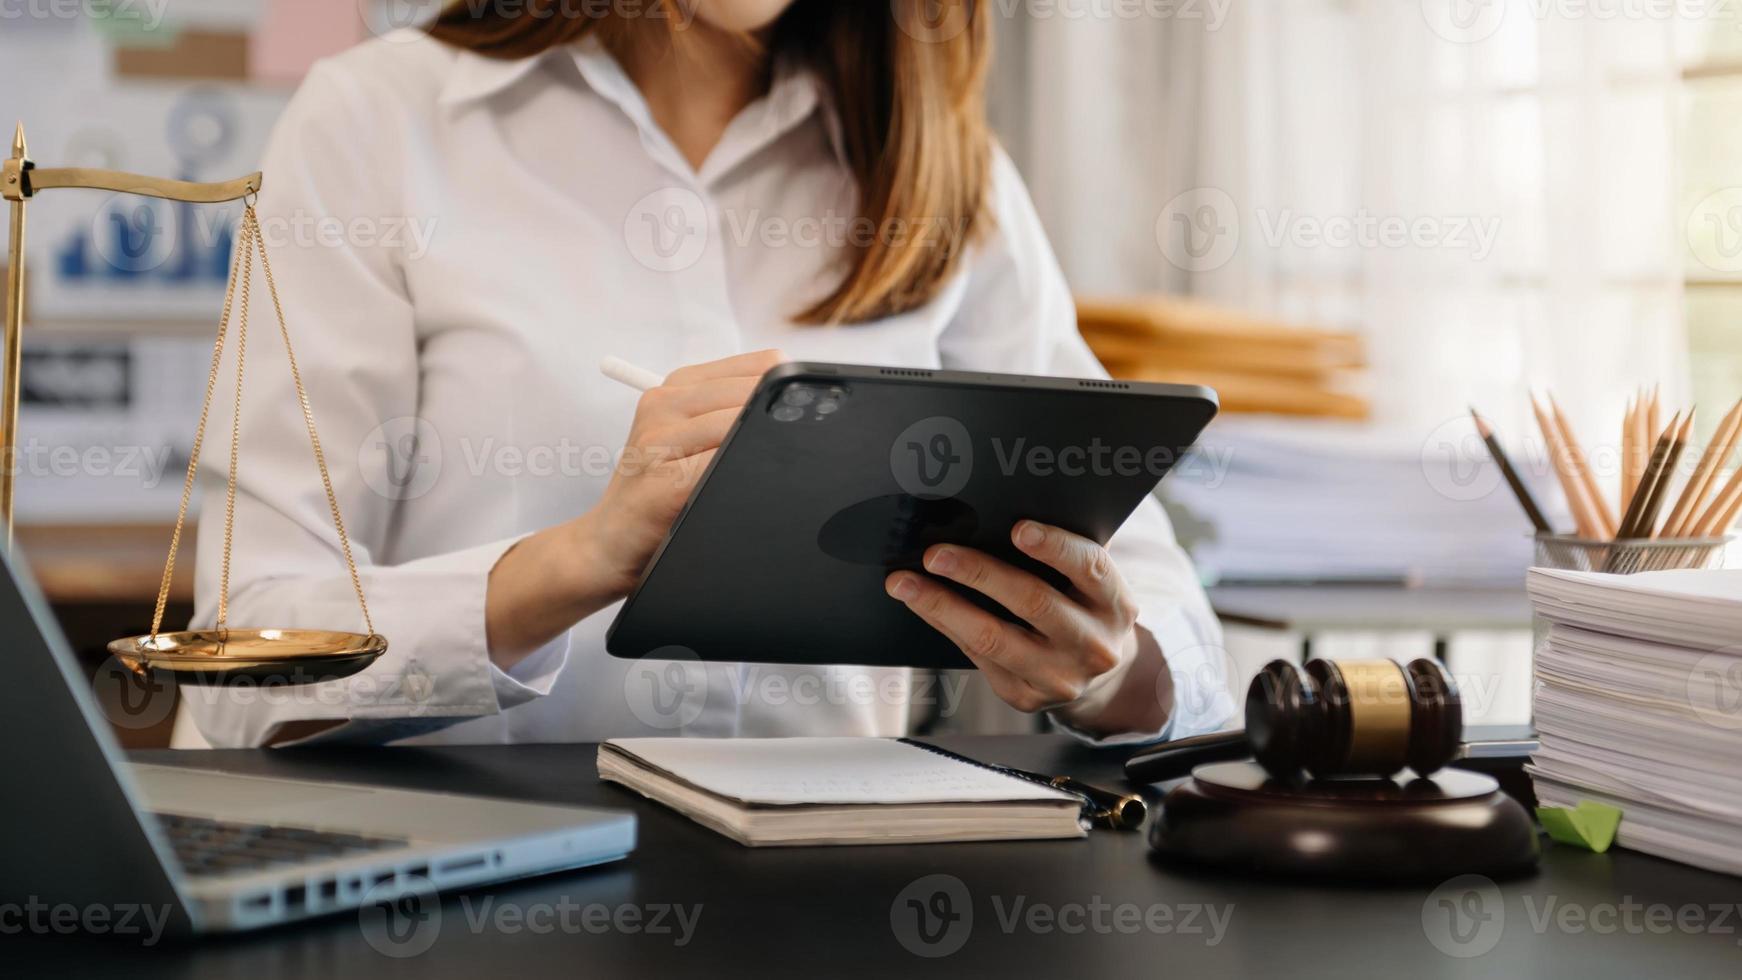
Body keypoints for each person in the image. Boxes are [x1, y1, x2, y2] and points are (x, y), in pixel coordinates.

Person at [178, 0, 1233, 748]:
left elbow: (1175, 646)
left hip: (834, 897)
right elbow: (239, 662)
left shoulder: (947, 175)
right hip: (462, 895)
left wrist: (1102, 669)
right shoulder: (376, 122)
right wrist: (579, 559)